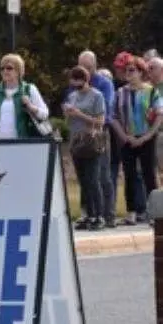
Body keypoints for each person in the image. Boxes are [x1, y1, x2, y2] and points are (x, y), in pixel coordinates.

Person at [111, 56, 163, 225]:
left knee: (149, 174)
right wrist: (124, 136)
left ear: (141, 72)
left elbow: (159, 114)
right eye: (126, 70)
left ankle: (154, 213)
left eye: (132, 70)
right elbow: (113, 117)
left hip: (147, 137)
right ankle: (131, 212)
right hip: (127, 138)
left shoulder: (151, 91)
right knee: (129, 175)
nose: (128, 73)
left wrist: (147, 136)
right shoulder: (120, 92)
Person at [65, 66, 107, 230]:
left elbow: (100, 122)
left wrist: (79, 114)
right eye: (72, 80)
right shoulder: (72, 96)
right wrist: (68, 114)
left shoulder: (97, 96)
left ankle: (99, 215)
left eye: (77, 79)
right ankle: (87, 214)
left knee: (93, 179)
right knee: (82, 180)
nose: (75, 83)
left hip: (91, 140)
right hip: (76, 141)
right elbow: (70, 120)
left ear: (85, 80)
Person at [77, 50, 116, 227]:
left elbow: (105, 110)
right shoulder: (75, 83)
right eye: (81, 65)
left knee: (102, 174)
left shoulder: (104, 84)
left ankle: (108, 214)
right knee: (85, 176)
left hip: (99, 133)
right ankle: (88, 213)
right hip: (80, 135)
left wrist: (82, 113)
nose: (83, 70)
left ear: (94, 66)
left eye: (87, 66)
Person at [0, 53, 49, 140]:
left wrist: (30, 106)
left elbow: (44, 114)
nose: (5, 71)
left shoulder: (29, 89)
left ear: (18, 71)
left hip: (21, 143)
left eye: (9, 68)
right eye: (2, 68)